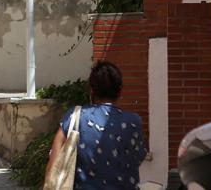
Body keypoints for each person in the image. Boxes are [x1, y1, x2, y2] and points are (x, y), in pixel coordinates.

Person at [47, 60, 146, 190]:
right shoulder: (134, 122)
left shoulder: (75, 117)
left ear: (92, 90)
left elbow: (53, 167)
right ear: (120, 91)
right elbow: (138, 157)